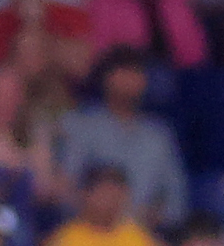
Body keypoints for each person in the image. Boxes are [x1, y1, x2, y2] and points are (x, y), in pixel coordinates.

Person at [56, 51, 185, 231]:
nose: (129, 81)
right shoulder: (81, 125)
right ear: (107, 79)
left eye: (135, 73)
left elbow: (175, 203)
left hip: (143, 237)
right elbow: (65, 191)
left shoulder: (159, 136)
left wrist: (151, 217)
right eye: (122, 73)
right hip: (89, 232)